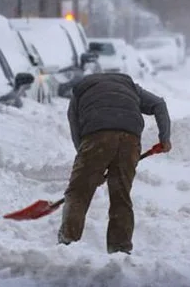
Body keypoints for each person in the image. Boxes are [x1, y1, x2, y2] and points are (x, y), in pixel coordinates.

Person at [58, 72, 171, 255]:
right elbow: (159, 104)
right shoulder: (130, 87)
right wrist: (164, 138)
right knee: (121, 196)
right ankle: (120, 249)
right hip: (129, 139)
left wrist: (91, 167)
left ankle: (67, 244)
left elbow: (76, 131)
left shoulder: (79, 92)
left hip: (97, 137)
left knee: (78, 193)